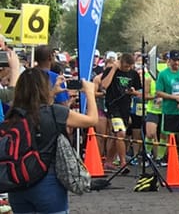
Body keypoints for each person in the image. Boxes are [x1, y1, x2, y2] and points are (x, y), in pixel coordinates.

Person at [7, 68, 99, 213]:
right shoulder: (55, 112)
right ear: (44, 88)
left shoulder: (12, 113)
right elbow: (92, 120)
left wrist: (53, 92)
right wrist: (90, 92)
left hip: (17, 183)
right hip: (47, 183)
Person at [101, 53, 142, 173]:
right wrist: (114, 69)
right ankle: (123, 162)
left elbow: (138, 90)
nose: (127, 69)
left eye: (130, 67)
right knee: (120, 134)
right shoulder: (111, 70)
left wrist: (133, 91)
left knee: (116, 137)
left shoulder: (133, 74)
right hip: (113, 106)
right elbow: (104, 85)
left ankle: (108, 161)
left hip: (125, 106)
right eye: (125, 66)